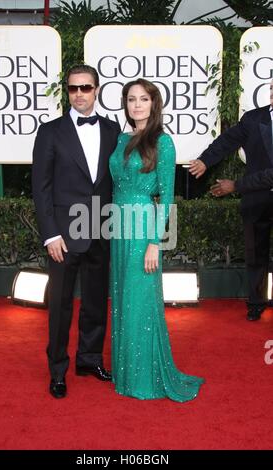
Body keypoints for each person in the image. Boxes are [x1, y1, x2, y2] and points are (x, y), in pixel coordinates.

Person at [109, 78, 204, 401]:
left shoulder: (163, 142)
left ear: (154, 104)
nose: (137, 105)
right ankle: (125, 373)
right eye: (131, 99)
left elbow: (167, 196)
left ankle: (144, 378)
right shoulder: (121, 139)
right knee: (122, 298)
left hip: (142, 228)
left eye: (143, 99)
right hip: (118, 226)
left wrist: (154, 241)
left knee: (140, 300)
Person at [32, 64, 121, 398]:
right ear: (66, 91)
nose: (80, 94)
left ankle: (89, 358)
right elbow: (41, 188)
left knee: (97, 300)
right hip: (64, 237)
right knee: (60, 306)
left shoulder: (113, 130)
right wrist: (50, 234)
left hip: (101, 229)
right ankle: (58, 370)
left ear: (96, 89)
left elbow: (117, 181)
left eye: (86, 87)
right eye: (73, 88)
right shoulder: (50, 132)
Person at [189, 80, 273, 321]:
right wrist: (205, 161)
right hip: (257, 199)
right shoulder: (253, 119)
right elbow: (227, 141)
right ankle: (256, 302)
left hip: (250, 187)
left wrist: (235, 186)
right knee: (255, 252)